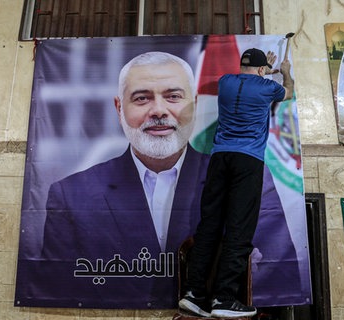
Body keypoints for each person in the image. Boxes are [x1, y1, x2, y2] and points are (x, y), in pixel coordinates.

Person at [24, 51, 211, 309]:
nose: (158, 110)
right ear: (119, 107)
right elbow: (57, 286)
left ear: (195, 104)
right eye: (142, 98)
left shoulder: (238, 183)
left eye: (173, 97)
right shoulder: (71, 194)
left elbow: (272, 270)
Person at [179, 48, 293, 318]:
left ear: (242, 65)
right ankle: (224, 298)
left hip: (220, 159)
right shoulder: (268, 88)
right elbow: (287, 92)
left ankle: (194, 293)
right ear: (263, 70)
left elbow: (251, 77)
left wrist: (266, 69)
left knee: (209, 226)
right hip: (247, 161)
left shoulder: (225, 82)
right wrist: (284, 72)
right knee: (239, 229)